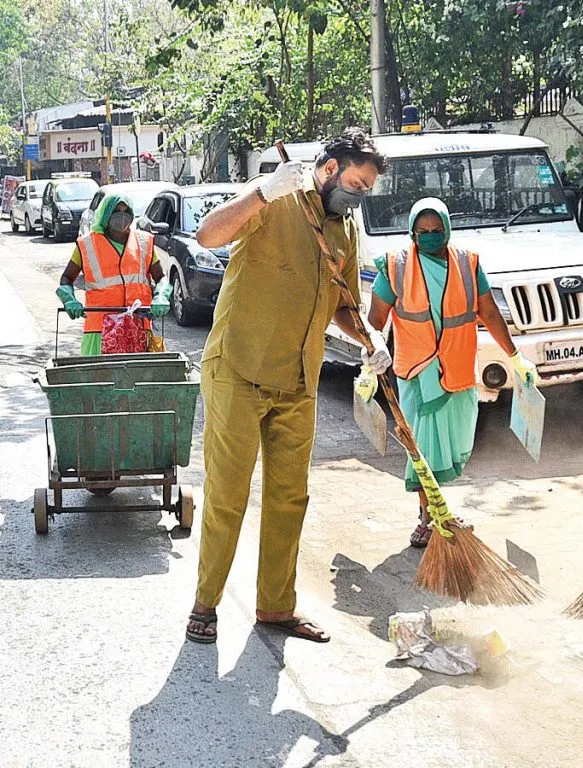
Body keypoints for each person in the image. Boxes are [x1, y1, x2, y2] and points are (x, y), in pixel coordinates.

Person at [185, 129, 391, 645]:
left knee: (289, 498)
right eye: (357, 183)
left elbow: (343, 304)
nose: (360, 195)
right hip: (239, 371)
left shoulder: (343, 232)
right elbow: (207, 235)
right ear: (329, 169)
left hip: (300, 382)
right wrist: (263, 192)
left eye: (368, 188)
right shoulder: (275, 202)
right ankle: (205, 604)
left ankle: (276, 608)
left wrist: (370, 337)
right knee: (228, 496)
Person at [366, 197, 537, 547]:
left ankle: (436, 511)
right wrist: (370, 359)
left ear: (448, 228)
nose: (429, 236)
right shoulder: (396, 267)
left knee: (455, 446)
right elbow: (376, 321)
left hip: (458, 370)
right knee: (425, 448)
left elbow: (488, 313)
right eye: (422, 231)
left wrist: (516, 357)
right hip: (418, 372)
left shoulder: (468, 264)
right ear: (412, 232)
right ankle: (429, 517)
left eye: (436, 230)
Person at [55, 194, 171, 354]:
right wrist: (69, 299)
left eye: (126, 211)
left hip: (138, 327)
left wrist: (161, 296)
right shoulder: (87, 244)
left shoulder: (144, 242)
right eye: (116, 211)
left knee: (141, 375)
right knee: (100, 377)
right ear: (105, 214)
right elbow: (67, 278)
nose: (122, 216)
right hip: (99, 330)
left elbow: (161, 278)